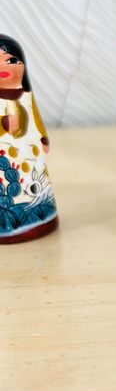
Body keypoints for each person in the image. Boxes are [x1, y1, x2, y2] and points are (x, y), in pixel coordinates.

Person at [0, 34, 59, 243]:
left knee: (34, 183)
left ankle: (40, 217)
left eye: (11, 60)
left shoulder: (26, 96)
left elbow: (35, 117)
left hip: (29, 153)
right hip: (3, 157)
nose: (3, 66)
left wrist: (43, 137)